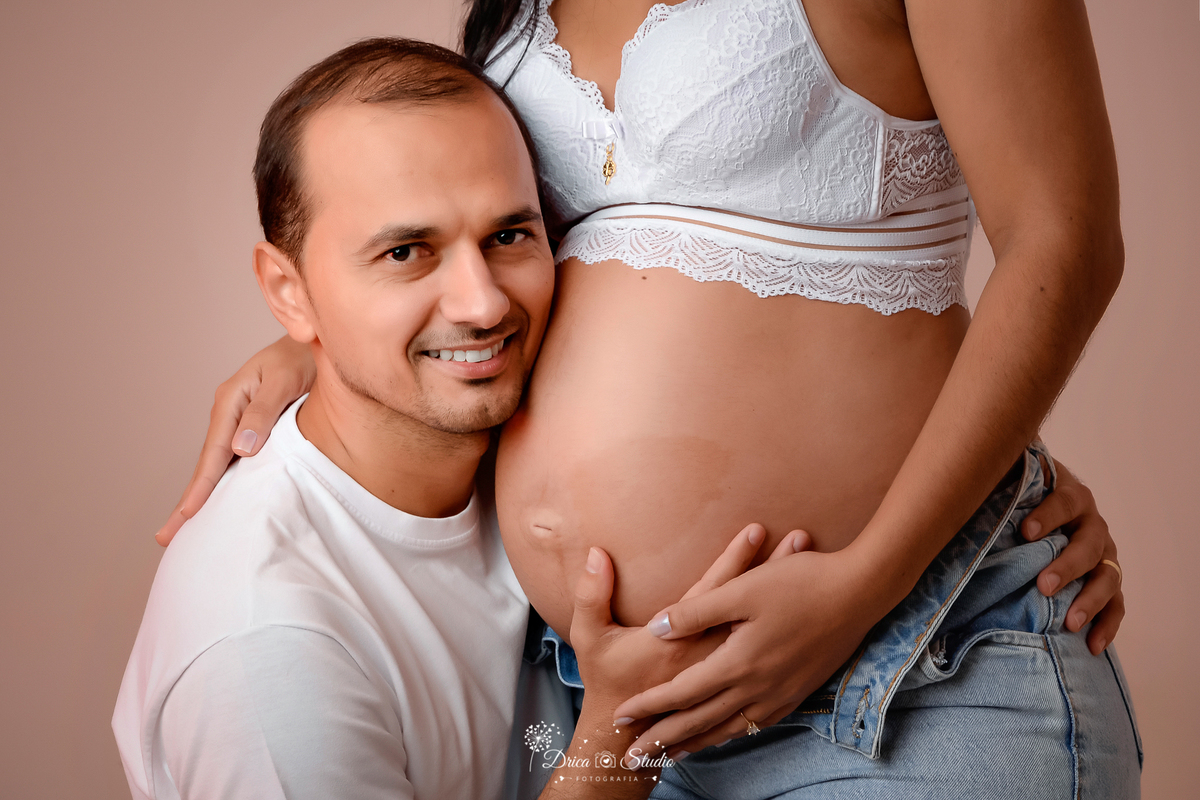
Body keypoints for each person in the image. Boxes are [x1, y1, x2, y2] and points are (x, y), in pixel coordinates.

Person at [158, 0, 1140, 796]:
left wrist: (867, 582)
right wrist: (319, 342)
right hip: (594, 699)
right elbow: (494, 240)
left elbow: (1067, 241)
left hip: (906, 672)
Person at [114, 39, 769, 800]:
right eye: (406, 252)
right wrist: (621, 731)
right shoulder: (267, 650)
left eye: (508, 236)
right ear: (287, 292)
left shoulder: (500, 436)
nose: (485, 303)